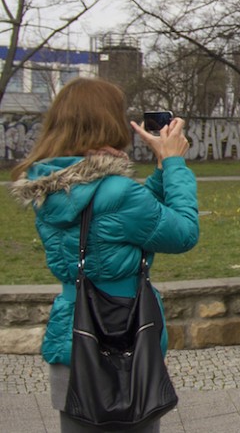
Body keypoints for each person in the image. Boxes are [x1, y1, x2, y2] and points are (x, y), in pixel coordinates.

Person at [8, 77, 199, 433]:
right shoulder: (117, 191)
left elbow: (134, 219)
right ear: (108, 122)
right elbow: (183, 233)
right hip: (126, 342)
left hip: (72, 339)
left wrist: (157, 172)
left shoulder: (49, 186)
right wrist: (174, 164)